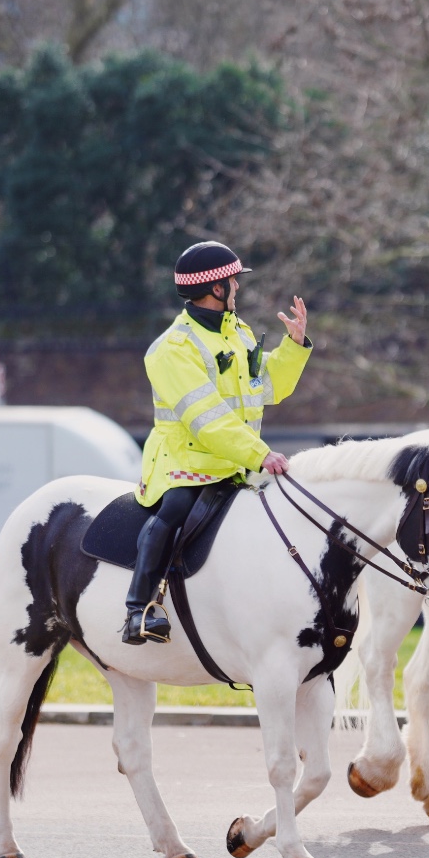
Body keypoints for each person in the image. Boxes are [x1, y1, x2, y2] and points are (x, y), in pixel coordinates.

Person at [123, 241, 311, 644]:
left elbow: (268, 388)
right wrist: (260, 454)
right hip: (184, 464)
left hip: (236, 462)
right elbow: (208, 421)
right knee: (173, 511)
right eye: (234, 282)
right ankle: (139, 609)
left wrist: (292, 347)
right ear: (216, 289)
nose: (238, 289)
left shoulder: (238, 334)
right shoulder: (172, 349)